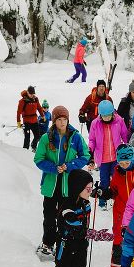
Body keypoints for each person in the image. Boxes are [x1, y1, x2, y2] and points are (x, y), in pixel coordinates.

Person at [33, 106, 90, 259]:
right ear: (54, 121)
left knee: (65, 216)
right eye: (59, 119)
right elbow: (38, 159)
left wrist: (70, 166)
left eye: (65, 119)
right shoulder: (46, 138)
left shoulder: (75, 137)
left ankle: (64, 244)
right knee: (49, 216)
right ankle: (48, 244)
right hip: (51, 185)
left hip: (68, 185)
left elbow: (85, 155)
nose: (62, 122)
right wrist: (53, 168)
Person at [93, 144, 134, 267]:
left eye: (127, 162)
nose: (124, 165)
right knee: (118, 243)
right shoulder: (117, 172)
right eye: (121, 162)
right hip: (120, 213)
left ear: (132, 158)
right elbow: (113, 190)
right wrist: (104, 193)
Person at [54, 168, 95, 267]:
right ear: (77, 188)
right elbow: (72, 222)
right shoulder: (67, 207)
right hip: (66, 245)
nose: (90, 191)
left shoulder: (86, 203)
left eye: (91, 188)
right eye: (87, 189)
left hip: (81, 244)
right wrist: (86, 232)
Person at [87, 100, 130, 210]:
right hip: (103, 158)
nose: (106, 118)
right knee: (104, 180)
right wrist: (90, 149)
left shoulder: (119, 121)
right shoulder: (95, 124)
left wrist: (128, 147)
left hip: (116, 157)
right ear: (100, 115)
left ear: (113, 113)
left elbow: (125, 135)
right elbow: (92, 139)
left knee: (117, 179)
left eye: (109, 115)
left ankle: (118, 199)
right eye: (104, 116)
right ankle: (102, 201)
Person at [17, 86, 45, 150]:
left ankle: (33, 146)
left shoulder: (35, 99)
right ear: (27, 92)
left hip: (34, 121)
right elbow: (18, 112)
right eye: (31, 94)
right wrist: (18, 122)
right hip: (26, 122)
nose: (32, 95)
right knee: (27, 138)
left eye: (33, 94)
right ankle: (25, 150)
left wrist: (43, 115)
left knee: (37, 136)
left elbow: (39, 108)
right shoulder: (22, 101)